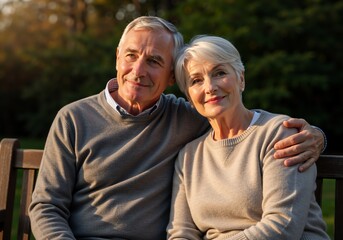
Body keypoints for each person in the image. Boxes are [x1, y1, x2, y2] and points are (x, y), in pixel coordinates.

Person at [29, 16, 326, 240]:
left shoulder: (186, 117)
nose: (139, 70)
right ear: (117, 57)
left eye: (154, 61)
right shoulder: (73, 118)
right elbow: (46, 207)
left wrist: (316, 136)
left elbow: (240, 118)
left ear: (171, 77)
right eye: (131, 55)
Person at [167, 35, 330, 239]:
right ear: (189, 98)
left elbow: (283, 226)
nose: (210, 87)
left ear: (241, 79)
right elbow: (181, 232)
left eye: (219, 73)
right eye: (196, 80)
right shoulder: (188, 156)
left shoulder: (279, 133)